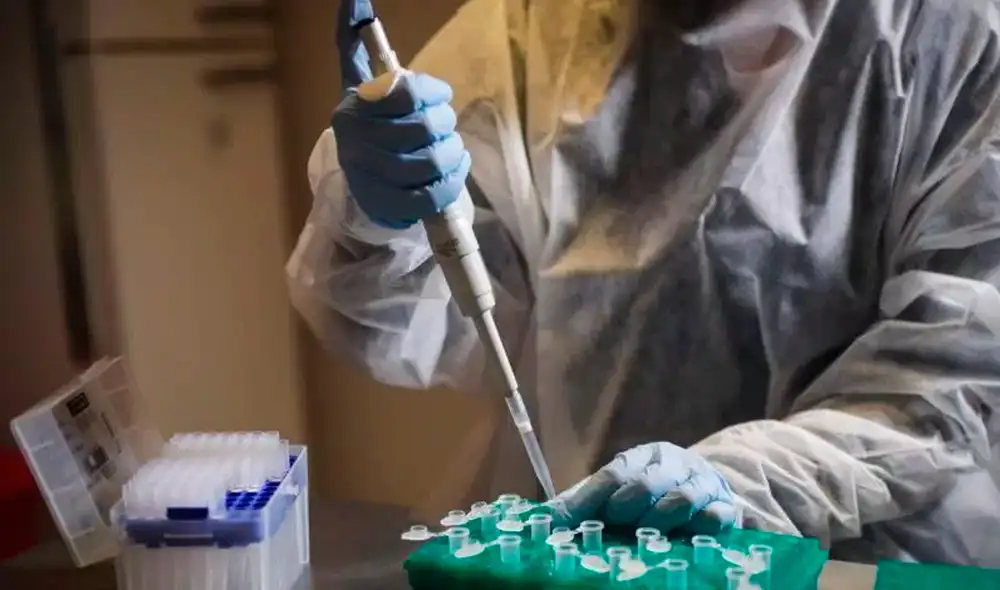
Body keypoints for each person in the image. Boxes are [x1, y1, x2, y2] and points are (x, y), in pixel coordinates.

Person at [287, 0, 1000, 566]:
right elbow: (399, 328)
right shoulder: (526, 29)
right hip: (595, 552)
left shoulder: (954, 33)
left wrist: (740, 483)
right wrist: (375, 220)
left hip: (868, 555)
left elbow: (956, 378)